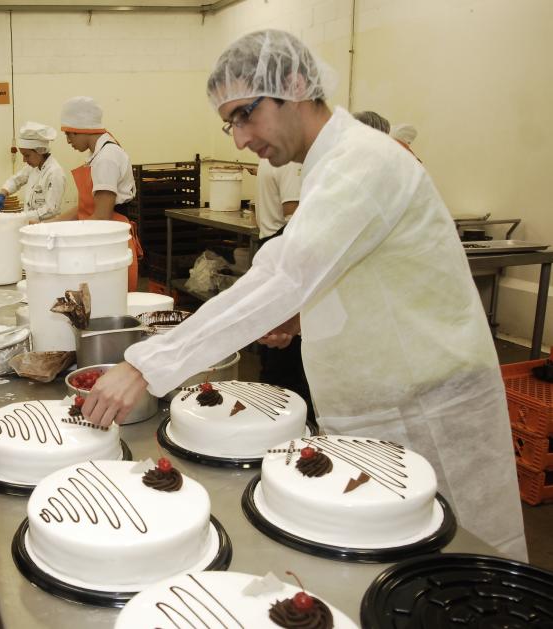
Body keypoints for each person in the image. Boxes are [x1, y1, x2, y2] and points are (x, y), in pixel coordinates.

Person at [82, 29, 527, 561]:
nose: (240, 139)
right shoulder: (326, 164)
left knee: (463, 568)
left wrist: (144, 366)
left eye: (245, 114)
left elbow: (284, 274)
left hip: (431, 406)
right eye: (230, 123)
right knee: (392, 564)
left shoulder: (363, 162)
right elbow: (347, 273)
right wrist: (298, 319)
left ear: (294, 85)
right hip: (381, 400)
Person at [50, 96, 142, 291]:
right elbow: (85, 207)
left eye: (70, 134)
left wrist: (70, 241)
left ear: (83, 130)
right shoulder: (98, 155)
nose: (68, 141)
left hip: (110, 241)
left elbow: (101, 216)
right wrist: (48, 225)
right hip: (101, 238)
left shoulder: (106, 159)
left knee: (108, 302)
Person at [254, 158, 315, 428]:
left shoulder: (272, 161)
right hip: (286, 249)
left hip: (279, 246)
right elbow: (293, 217)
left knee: (278, 351)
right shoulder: (289, 163)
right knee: (285, 360)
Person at [0, 121, 66, 222]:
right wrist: (2, 194)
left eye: (27, 155)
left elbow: (51, 210)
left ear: (40, 150)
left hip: (46, 228)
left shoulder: (54, 172)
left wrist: (21, 217)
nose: (24, 160)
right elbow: (16, 180)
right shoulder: (33, 167)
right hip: (30, 225)